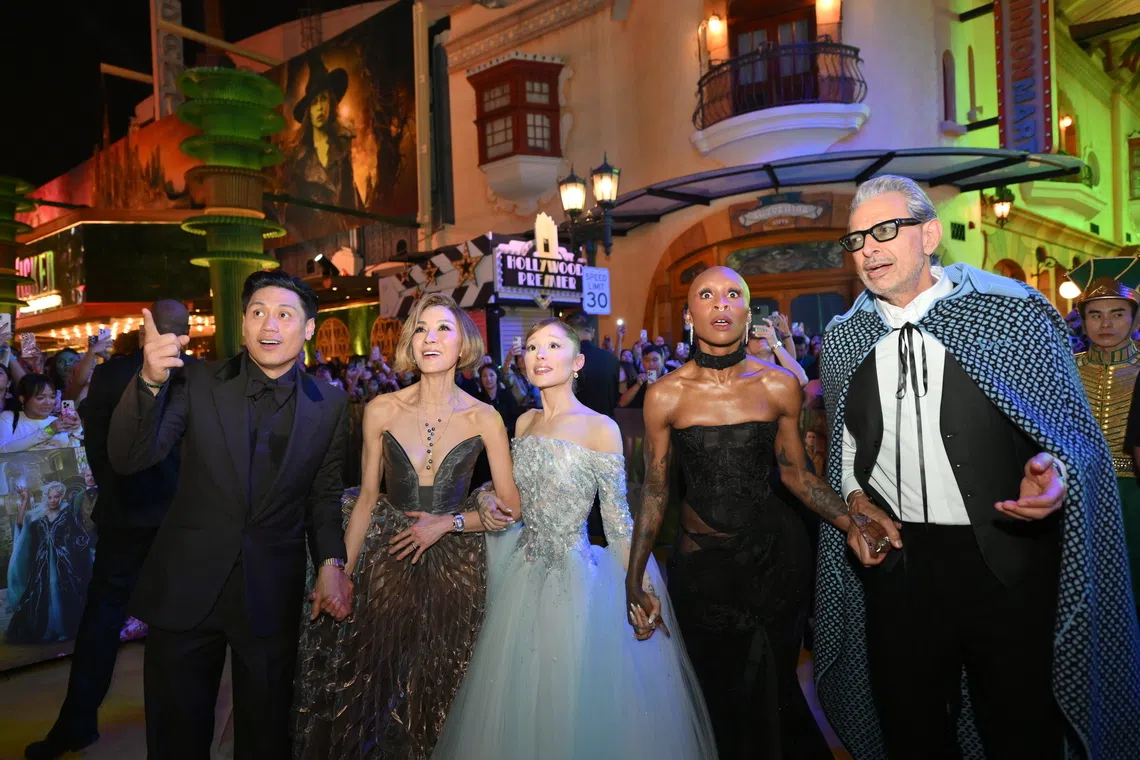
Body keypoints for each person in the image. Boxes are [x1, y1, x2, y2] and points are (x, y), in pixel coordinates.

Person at [816, 175, 1140, 759]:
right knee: (911, 728)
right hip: (900, 563)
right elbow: (845, 449)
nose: (868, 249)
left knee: (1019, 727)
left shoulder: (1010, 314)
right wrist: (858, 503)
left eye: (885, 230)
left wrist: (1055, 471)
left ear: (929, 235)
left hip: (1004, 555)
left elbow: (1068, 435)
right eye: (856, 238)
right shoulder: (844, 339)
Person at [433, 318, 716, 759]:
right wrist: (486, 498)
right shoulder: (523, 422)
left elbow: (618, 523)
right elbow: (513, 499)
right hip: (521, 576)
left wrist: (639, 586)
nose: (539, 355)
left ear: (577, 361)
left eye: (552, 346)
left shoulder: (600, 427)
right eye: (531, 348)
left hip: (576, 584)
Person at [107, 271, 353, 759]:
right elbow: (129, 457)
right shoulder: (196, 381)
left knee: (266, 739)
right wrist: (149, 381)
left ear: (308, 328)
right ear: (242, 324)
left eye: (284, 314)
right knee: (176, 741)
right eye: (257, 312)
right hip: (186, 587)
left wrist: (332, 562)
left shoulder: (331, 404)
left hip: (270, 592)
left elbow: (324, 496)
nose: (269, 324)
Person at [625, 266, 864, 759]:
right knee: (716, 690)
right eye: (707, 295)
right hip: (702, 569)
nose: (721, 303)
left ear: (747, 312)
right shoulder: (665, 393)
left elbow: (798, 476)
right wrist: (635, 575)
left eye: (733, 294)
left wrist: (853, 523)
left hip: (776, 562)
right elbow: (655, 489)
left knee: (774, 687)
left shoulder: (779, 385)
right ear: (689, 315)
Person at [292, 293, 521, 759]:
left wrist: (449, 523)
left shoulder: (485, 417)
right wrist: (342, 574)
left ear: (463, 344)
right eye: (420, 329)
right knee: (375, 678)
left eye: (443, 328)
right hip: (388, 555)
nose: (430, 338)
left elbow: (511, 508)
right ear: (410, 344)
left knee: (444, 678)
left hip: (457, 564)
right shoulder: (381, 408)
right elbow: (366, 499)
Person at [24, 300, 192, 760]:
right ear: (185, 333)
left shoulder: (112, 374)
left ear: (143, 328)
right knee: (177, 630)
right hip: (178, 523)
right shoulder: (196, 377)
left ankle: (76, 725)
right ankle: (177, 735)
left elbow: (97, 443)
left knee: (101, 625)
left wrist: (114, 495)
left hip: (124, 517)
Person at [1070, 259, 1140, 623]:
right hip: (1079, 493)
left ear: (1135, 320)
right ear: (1083, 321)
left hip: (1134, 494)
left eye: (1117, 314)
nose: (1106, 324)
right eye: (1095, 315)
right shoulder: (1064, 369)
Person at [6, 481, 94, 645]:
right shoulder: (39, 515)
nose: (53, 500)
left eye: (56, 497)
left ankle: (63, 629)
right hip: (43, 561)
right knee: (42, 591)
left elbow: (79, 536)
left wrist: (74, 549)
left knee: (63, 590)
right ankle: (46, 629)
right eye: (50, 497)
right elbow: (20, 524)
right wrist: (25, 500)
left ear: (61, 497)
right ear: (46, 497)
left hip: (63, 561)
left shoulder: (68, 514)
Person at [285, 54, 360, 241]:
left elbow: (349, 197)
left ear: (331, 104)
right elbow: (291, 212)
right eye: (314, 102)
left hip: (340, 234)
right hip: (309, 237)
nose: (319, 108)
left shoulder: (343, 146)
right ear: (308, 111)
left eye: (324, 99)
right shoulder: (297, 155)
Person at [0, 374, 81, 452]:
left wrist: (76, 430)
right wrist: (49, 431)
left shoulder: (59, 422)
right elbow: (3, 451)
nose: (48, 402)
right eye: (40, 398)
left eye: (52, 397)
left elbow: (75, 456)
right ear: (23, 399)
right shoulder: (9, 418)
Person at [565, 311, 620, 418]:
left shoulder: (566, 359)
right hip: (606, 422)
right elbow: (615, 397)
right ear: (592, 332)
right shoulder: (611, 359)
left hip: (576, 422)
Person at [476, 363, 519, 436]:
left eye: (491, 375)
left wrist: (507, 428)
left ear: (497, 376)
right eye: (484, 376)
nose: (488, 379)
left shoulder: (506, 395)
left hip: (507, 435)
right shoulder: (478, 398)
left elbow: (515, 417)